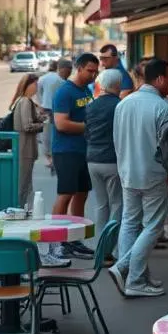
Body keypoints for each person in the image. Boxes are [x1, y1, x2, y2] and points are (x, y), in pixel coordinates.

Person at [108, 57, 168, 298]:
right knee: (152, 227)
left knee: (130, 222)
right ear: (158, 79)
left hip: (127, 172)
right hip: (153, 174)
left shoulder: (124, 104)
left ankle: (132, 276)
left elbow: (116, 141)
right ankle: (130, 273)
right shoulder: (163, 108)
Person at [49, 53, 99, 262]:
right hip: (65, 150)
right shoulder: (65, 92)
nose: (93, 75)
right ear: (79, 68)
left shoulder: (85, 90)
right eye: (90, 71)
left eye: (96, 71)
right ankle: (56, 241)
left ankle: (74, 238)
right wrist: (89, 128)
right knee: (65, 194)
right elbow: (61, 123)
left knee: (81, 194)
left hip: (82, 150)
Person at [86, 67, 124, 262]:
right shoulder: (119, 106)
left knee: (101, 205)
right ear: (117, 86)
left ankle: (99, 248)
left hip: (93, 160)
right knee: (117, 205)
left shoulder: (91, 105)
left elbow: (87, 132)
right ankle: (109, 250)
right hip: (112, 161)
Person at [6, 73, 45, 209]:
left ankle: (26, 210)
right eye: (35, 84)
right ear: (28, 85)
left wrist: (40, 116)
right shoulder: (25, 102)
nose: (37, 87)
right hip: (25, 148)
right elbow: (27, 126)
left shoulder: (26, 101)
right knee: (24, 184)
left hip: (25, 148)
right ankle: (21, 210)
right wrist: (43, 125)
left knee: (26, 183)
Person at [38, 57, 72, 169]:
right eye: (69, 69)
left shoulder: (43, 78)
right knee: (53, 134)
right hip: (55, 110)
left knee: (46, 134)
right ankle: (53, 158)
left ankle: (50, 158)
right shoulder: (62, 82)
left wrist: (41, 104)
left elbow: (39, 92)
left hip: (46, 108)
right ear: (61, 69)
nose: (70, 72)